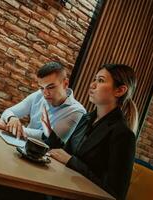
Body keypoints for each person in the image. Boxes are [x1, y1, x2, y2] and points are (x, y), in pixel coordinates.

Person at [0, 61, 86, 200]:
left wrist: (10, 127)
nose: (45, 93)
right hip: (21, 148)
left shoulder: (77, 111)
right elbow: (8, 111)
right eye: (42, 87)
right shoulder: (39, 95)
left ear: (65, 84)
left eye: (51, 87)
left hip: (43, 163)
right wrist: (12, 119)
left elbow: (46, 138)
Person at [43, 64, 138, 200]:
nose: (92, 85)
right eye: (94, 79)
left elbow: (115, 193)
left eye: (100, 80)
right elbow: (67, 153)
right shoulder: (86, 118)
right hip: (60, 188)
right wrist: (49, 133)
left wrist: (72, 162)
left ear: (120, 90)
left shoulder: (123, 135)